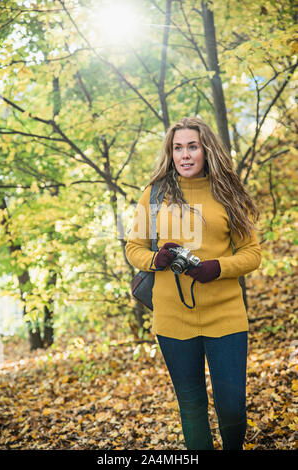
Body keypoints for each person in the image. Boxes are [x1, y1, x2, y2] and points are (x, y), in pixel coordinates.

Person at [125, 117, 261, 450]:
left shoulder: (228, 193)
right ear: (170, 153)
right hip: (173, 318)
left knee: (231, 405)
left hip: (226, 315)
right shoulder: (154, 194)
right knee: (192, 404)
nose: (185, 155)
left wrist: (217, 267)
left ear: (206, 150)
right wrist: (155, 259)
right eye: (177, 148)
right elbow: (134, 248)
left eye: (192, 146)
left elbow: (252, 254)